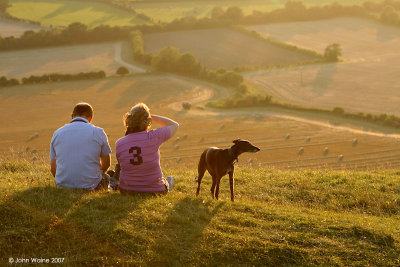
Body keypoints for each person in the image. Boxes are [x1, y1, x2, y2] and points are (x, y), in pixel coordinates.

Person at [116, 103, 179, 194]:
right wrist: (151, 116)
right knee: (170, 179)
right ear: (147, 121)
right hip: (155, 190)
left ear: (129, 120)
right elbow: (174, 125)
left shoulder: (119, 143)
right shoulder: (154, 136)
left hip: (127, 190)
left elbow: (121, 165)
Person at [50, 102, 112, 190]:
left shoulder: (57, 133)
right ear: (91, 118)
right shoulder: (98, 132)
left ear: (72, 116)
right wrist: (98, 174)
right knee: (108, 177)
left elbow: (53, 168)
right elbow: (106, 163)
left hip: (62, 186)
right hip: (92, 186)